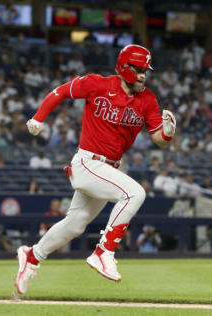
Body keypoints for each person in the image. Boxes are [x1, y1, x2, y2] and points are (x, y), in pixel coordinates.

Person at [15, 44, 177, 294]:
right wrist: (38, 117)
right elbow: (60, 92)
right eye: (140, 69)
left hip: (108, 168)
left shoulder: (147, 99)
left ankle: (32, 256)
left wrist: (168, 132)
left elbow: (159, 139)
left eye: (146, 70)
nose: (144, 75)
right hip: (87, 162)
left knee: (75, 224)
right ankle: (104, 251)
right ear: (125, 68)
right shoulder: (98, 84)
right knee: (135, 193)